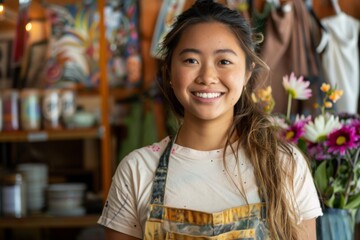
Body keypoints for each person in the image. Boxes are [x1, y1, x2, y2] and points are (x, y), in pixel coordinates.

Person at [97, 1, 323, 239]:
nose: (207, 77)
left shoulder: (285, 165)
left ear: (247, 72)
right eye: (191, 60)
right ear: (170, 73)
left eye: (224, 61)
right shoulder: (137, 170)